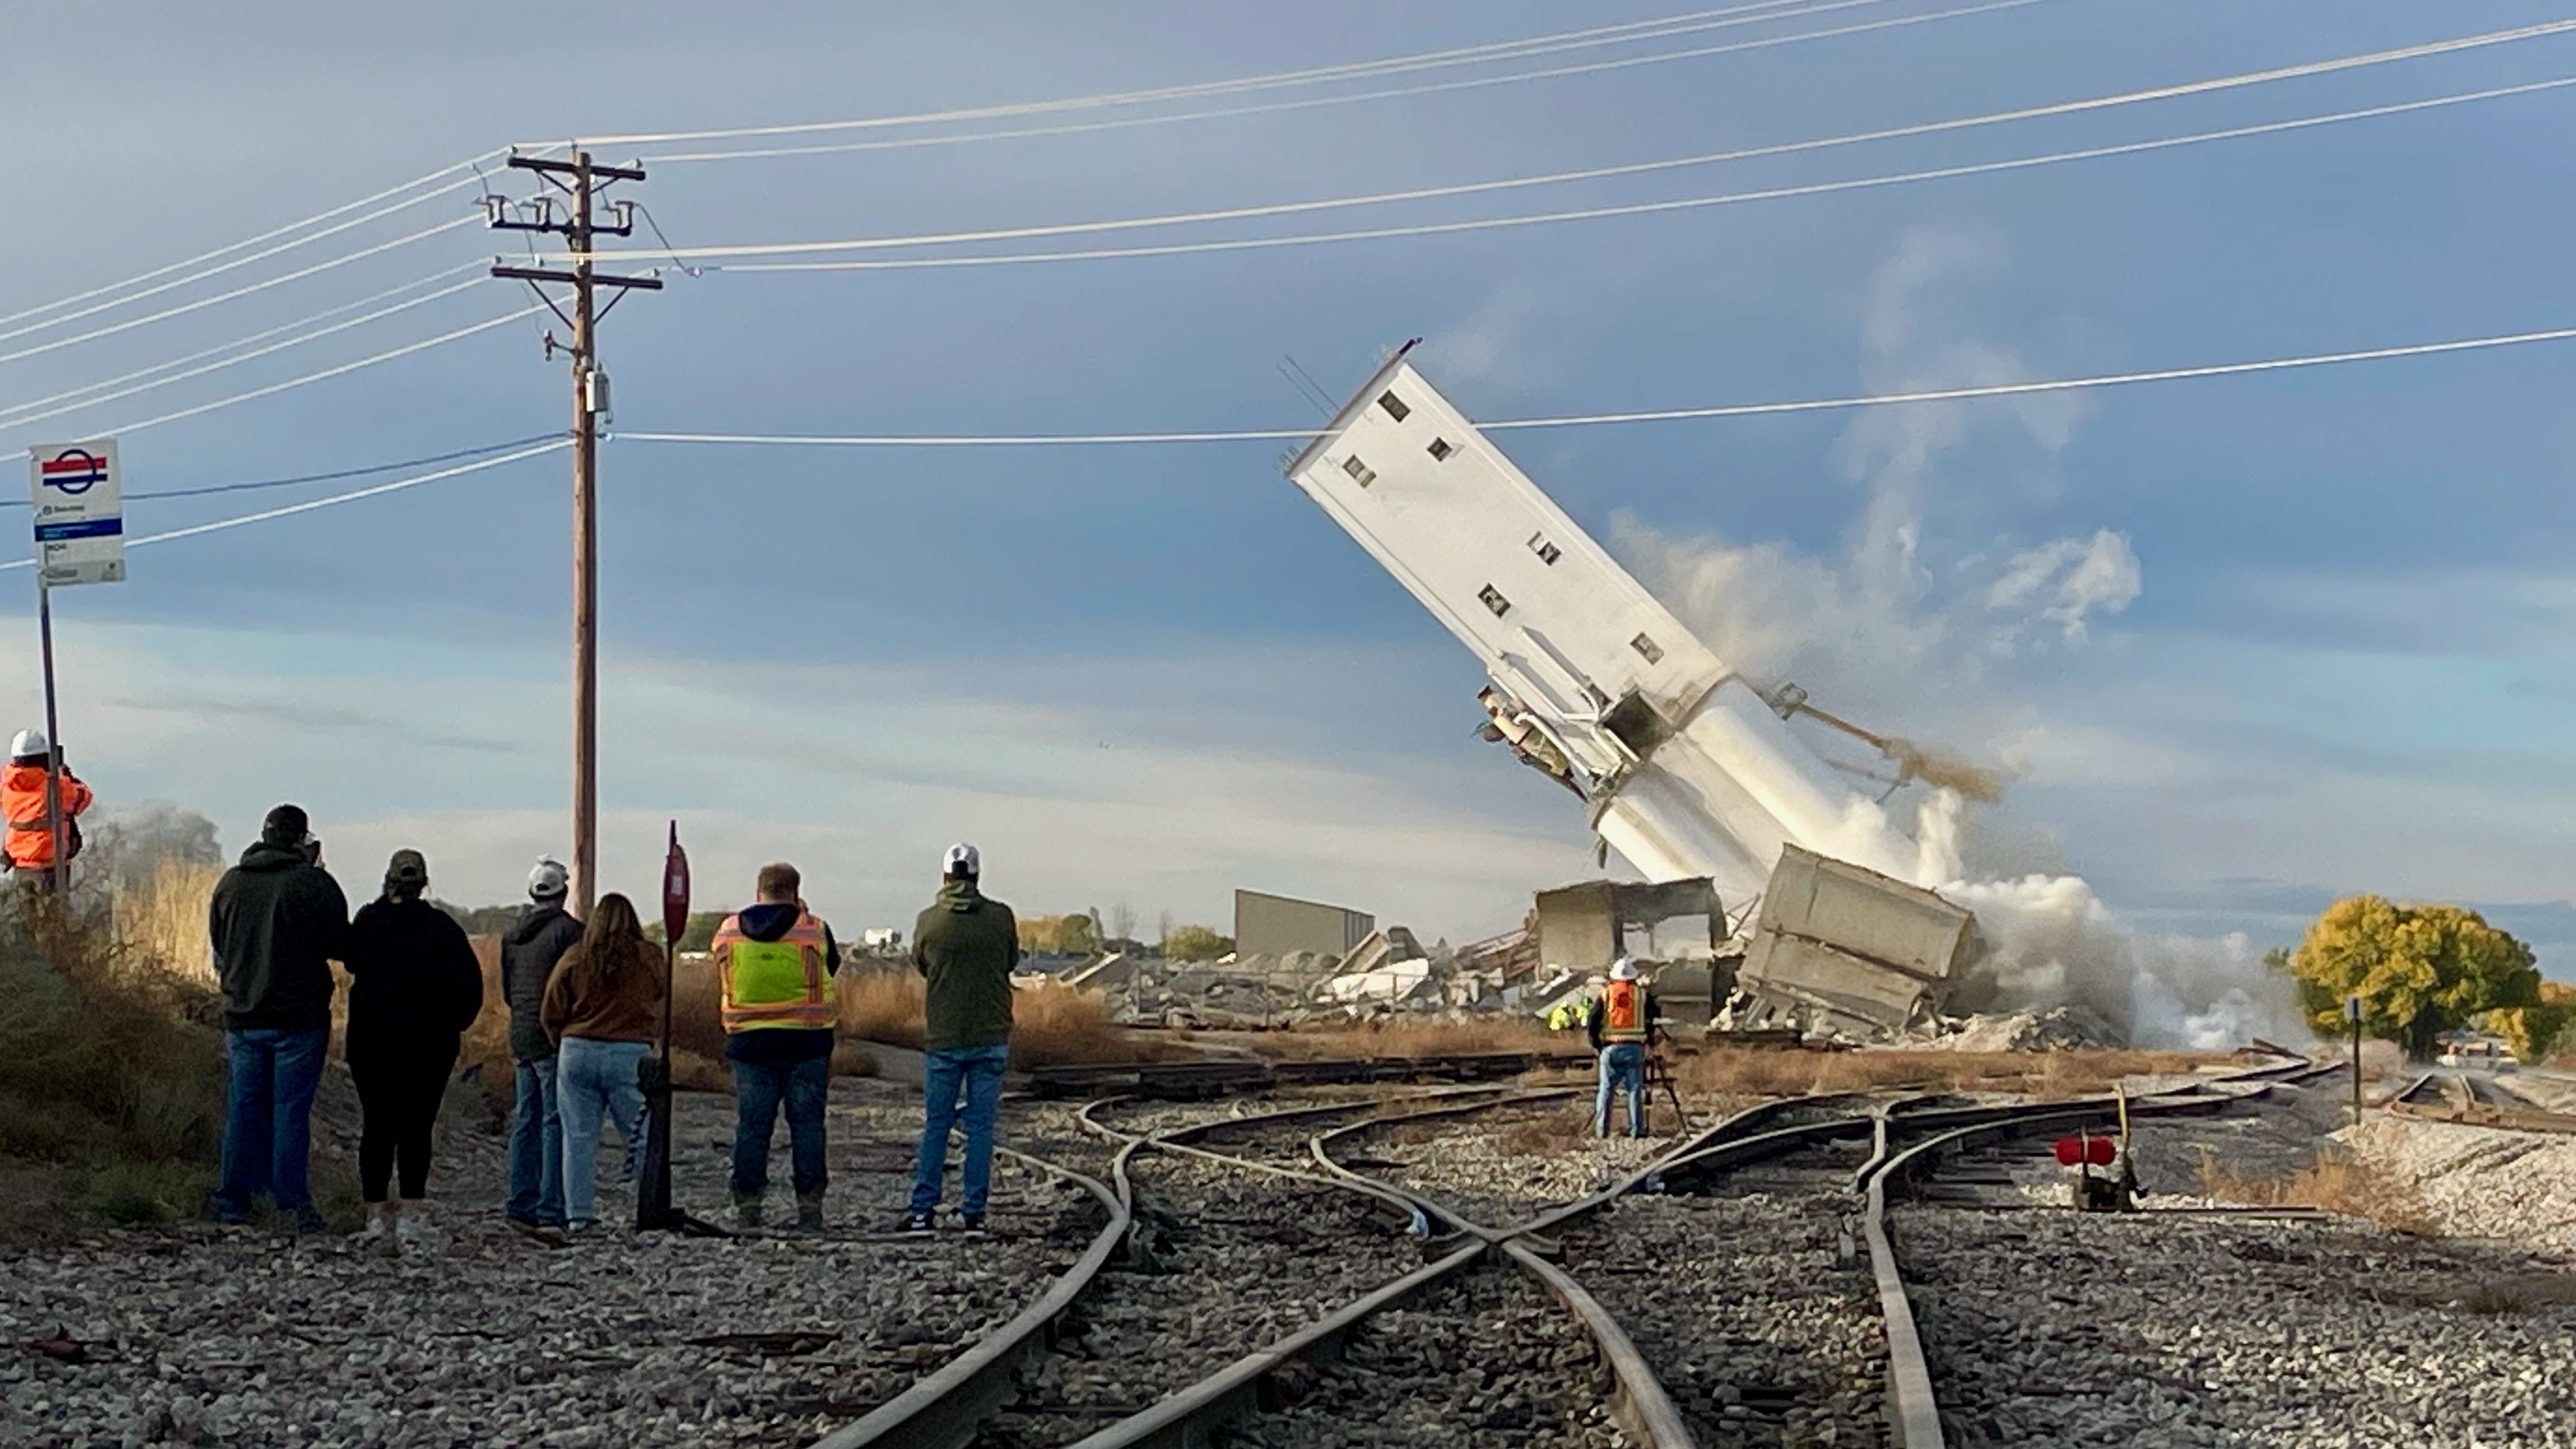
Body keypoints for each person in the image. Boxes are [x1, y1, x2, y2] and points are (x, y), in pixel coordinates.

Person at [207, 804, 349, 1228]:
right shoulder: (312, 883)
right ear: (302, 840)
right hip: (298, 1016)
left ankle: (233, 1200)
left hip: (242, 1014)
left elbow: (219, 946)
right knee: (289, 1111)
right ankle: (290, 1203)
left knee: (244, 1108)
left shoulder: (230, 884)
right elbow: (342, 944)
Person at [342, 849, 484, 1254]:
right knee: (416, 1127)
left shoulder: (368, 922)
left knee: (377, 1126)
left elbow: (350, 959)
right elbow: (469, 988)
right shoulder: (442, 928)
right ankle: (411, 1213)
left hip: (372, 1043)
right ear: (424, 883)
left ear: (388, 879)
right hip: (427, 1045)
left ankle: (374, 1217)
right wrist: (451, 1025)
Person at [713, 863, 841, 1230]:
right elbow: (832, 966)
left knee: (752, 1126)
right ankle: (810, 1209)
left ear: (759, 891)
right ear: (795, 892)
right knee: (807, 1126)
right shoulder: (814, 929)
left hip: (750, 1043)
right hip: (807, 1041)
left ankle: (749, 1207)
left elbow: (722, 969)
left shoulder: (728, 932)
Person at [904, 843, 1016, 1235]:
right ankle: (974, 1214)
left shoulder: (929, 922)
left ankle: (922, 1211)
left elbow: (921, 963)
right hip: (990, 1034)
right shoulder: (1001, 918)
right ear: (977, 876)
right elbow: (1010, 960)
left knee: (936, 1124)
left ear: (946, 877)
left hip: (945, 1035)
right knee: (981, 1128)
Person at [542, 892, 664, 1234]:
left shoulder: (575, 956)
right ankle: (650, 1209)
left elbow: (551, 1007)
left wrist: (562, 1040)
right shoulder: (649, 957)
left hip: (577, 1049)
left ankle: (578, 1216)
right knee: (641, 1136)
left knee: (578, 1138)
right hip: (629, 1052)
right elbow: (659, 994)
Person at [501, 859, 582, 1230]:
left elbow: (507, 990)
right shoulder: (570, 932)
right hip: (553, 1034)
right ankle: (551, 1207)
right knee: (554, 1120)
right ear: (563, 892)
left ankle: (520, 1203)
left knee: (526, 1118)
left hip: (521, 1032)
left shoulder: (512, 934)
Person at [2, 729, 92, 889]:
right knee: (55, 912)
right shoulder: (57, 787)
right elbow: (84, 798)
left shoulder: (7, 788)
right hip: (50, 865)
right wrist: (65, 774)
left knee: (26, 912)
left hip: (20, 864)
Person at [1585, 959, 1662, 1138]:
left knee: (1606, 1090)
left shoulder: (1606, 994)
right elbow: (1654, 1017)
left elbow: (1592, 1021)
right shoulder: (1642, 995)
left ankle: (1602, 1130)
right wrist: (1650, 1040)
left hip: (1610, 1047)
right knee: (1634, 1090)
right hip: (1634, 1048)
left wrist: (1596, 1044)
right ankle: (1637, 1130)